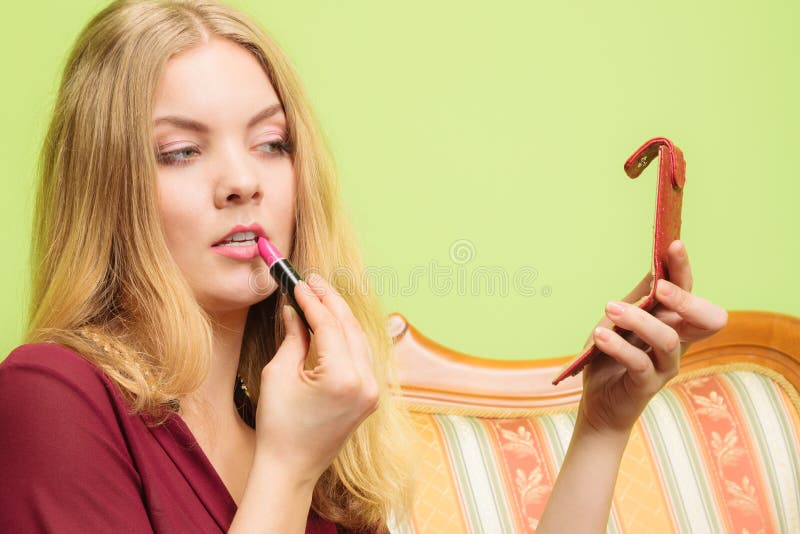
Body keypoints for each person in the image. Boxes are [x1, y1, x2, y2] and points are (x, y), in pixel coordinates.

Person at [0, 1, 728, 532]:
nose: (242, 182)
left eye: (271, 143)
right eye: (181, 151)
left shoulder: (303, 417)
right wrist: (287, 468)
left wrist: (603, 424)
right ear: (106, 186)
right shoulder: (50, 399)